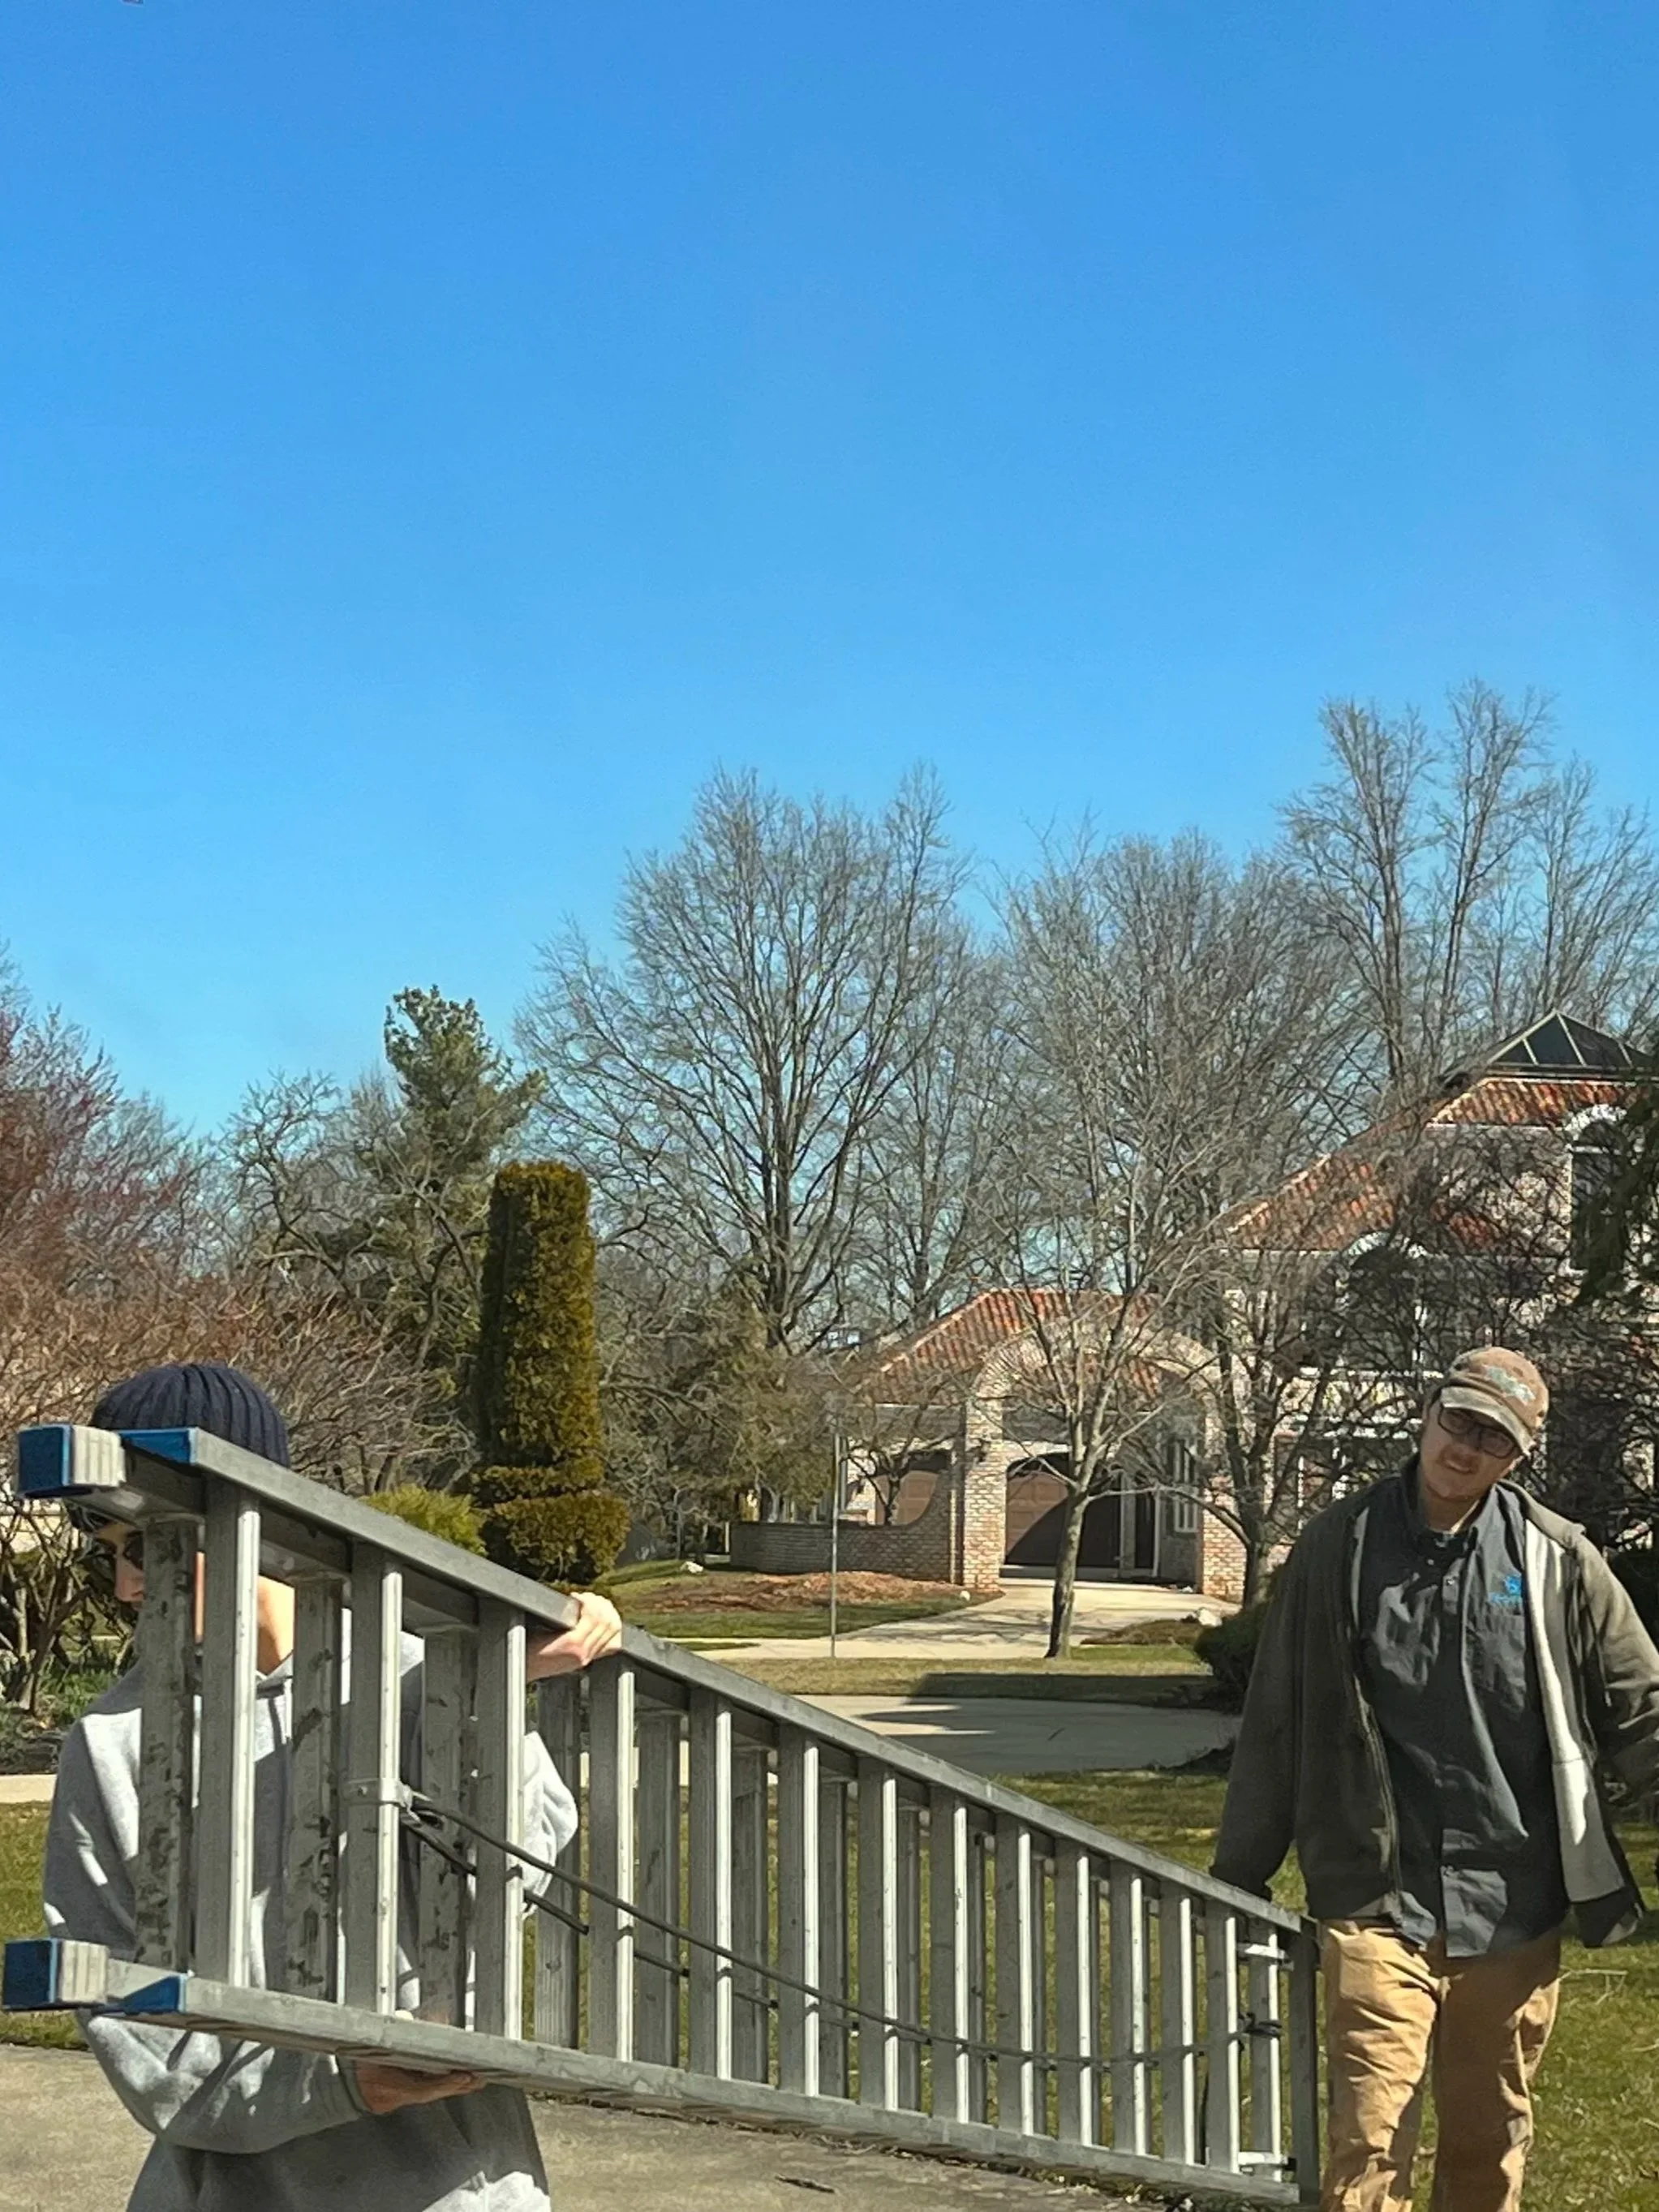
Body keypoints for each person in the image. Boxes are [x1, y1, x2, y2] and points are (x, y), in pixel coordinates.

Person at [42, 1360, 624, 2212]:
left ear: (255, 1513)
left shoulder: (421, 1670)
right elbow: (126, 2021)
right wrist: (336, 2081)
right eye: (112, 1555)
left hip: (455, 2184)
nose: (130, 1585)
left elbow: (512, 1883)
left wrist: (489, 1691)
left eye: (146, 1544)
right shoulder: (110, 1743)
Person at [1213, 1345, 1659, 2212]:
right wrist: (1239, 1872)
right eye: (1458, 1421)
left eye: (1494, 1438)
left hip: (1512, 1903)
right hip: (1374, 1895)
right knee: (1367, 2145)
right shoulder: (1337, 1547)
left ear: (1517, 1457)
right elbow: (1277, 1716)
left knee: (1486, 2148)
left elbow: (1640, 1709)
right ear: (1426, 1412)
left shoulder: (1556, 1560)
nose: (1465, 1447)